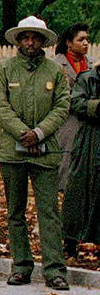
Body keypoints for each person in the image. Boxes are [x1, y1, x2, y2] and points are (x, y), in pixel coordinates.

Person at [0, 17, 71, 289]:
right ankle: (21, 266)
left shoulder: (55, 71)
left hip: (46, 151)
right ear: (18, 40)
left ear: (43, 41)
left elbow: (62, 106)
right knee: (15, 211)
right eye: (25, 37)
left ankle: (55, 270)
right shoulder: (3, 69)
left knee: (48, 211)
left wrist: (39, 133)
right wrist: (24, 133)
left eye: (36, 38)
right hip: (12, 152)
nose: (30, 42)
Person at [62, 63, 100, 250]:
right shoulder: (87, 78)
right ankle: (70, 239)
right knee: (78, 188)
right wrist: (96, 106)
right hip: (88, 138)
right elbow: (75, 103)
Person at [53, 23, 91, 190]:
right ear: (69, 42)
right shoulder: (56, 65)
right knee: (65, 164)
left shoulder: (91, 65)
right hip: (66, 122)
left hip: (88, 122)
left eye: (87, 39)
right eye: (81, 39)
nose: (85, 43)